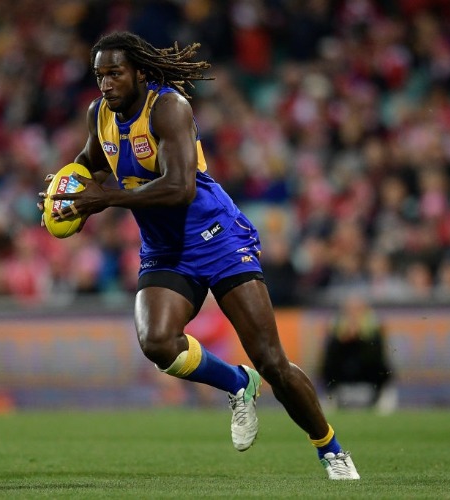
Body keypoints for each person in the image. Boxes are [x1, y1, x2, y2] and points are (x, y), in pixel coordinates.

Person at [38, 31, 359, 480]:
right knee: (157, 342)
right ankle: (237, 383)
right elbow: (89, 162)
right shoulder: (100, 116)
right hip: (166, 248)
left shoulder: (169, 108)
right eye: (99, 76)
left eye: (114, 73)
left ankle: (331, 449)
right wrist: (65, 193)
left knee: (272, 361)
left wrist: (105, 198)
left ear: (140, 72)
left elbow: (179, 187)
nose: (105, 84)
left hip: (217, 238)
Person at [320, 294, 397, 414]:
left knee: (383, 368)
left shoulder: (373, 323)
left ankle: (383, 397)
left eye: (357, 308)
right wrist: (343, 339)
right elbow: (331, 351)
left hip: (366, 364)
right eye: (350, 309)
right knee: (327, 366)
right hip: (344, 364)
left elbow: (377, 351)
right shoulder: (336, 323)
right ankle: (331, 397)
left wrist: (361, 338)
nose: (354, 312)